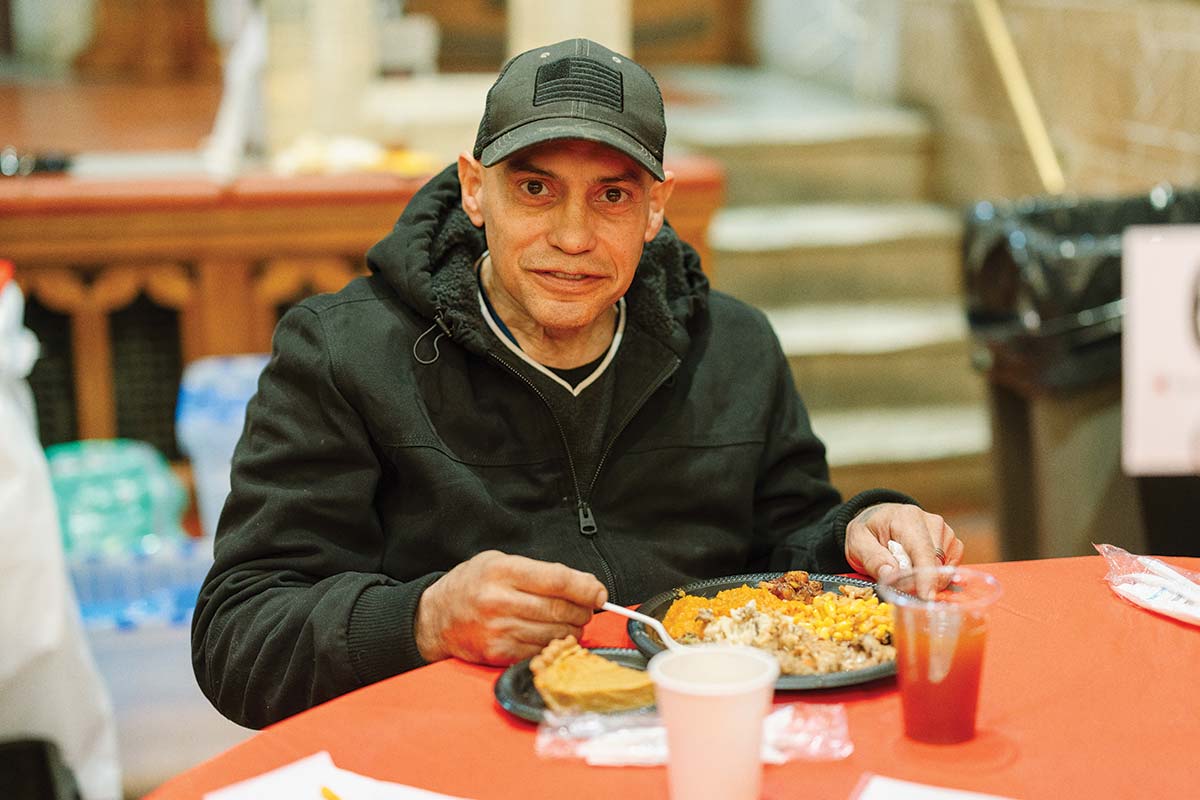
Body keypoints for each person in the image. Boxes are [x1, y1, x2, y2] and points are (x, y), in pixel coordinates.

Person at [192, 38, 963, 729]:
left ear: (656, 208)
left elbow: (789, 545)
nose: (572, 236)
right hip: (448, 756)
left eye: (613, 195)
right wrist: (423, 619)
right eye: (534, 190)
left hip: (703, 743)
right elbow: (237, 639)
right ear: (473, 189)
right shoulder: (343, 352)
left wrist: (859, 534)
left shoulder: (734, 346)